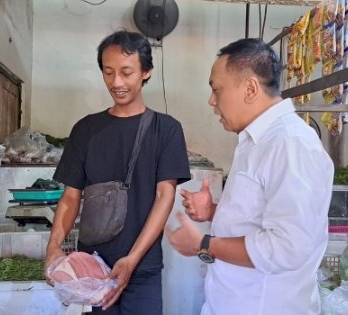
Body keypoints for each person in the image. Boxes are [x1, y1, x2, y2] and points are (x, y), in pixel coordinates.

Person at [166, 38, 334, 315]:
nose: (211, 100)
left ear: (251, 88)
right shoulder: (256, 141)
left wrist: (203, 244)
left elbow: (287, 247)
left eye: (216, 89)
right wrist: (213, 212)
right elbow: (259, 216)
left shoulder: (290, 144)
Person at [45, 30, 190, 315]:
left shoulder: (166, 130)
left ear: (146, 72)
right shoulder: (86, 130)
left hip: (142, 267)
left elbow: (165, 196)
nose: (116, 82)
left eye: (126, 72)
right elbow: (71, 197)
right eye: (108, 72)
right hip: (92, 269)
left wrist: (132, 259)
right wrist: (54, 247)